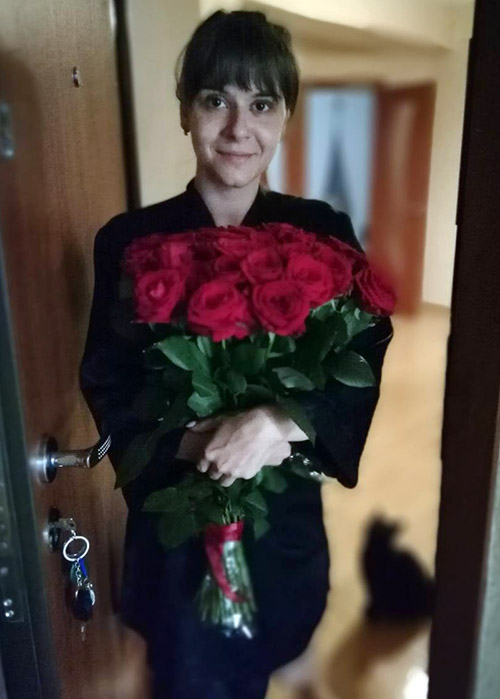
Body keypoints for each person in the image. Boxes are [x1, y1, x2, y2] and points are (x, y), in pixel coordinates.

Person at [79, 10, 393, 698]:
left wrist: (277, 423)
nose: (237, 128)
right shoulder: (129, 240)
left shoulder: (321, 230)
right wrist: (199, 442)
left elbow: (365, 348)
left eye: (262, 104)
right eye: (216, 99)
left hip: (280, 521)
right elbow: (107, 377)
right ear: (185, 111)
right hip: (178, 526)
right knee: (189, 673)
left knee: (270, 648)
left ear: (286, 117)